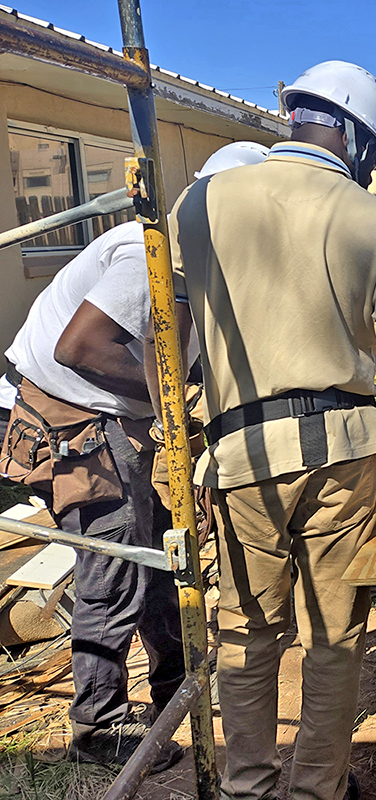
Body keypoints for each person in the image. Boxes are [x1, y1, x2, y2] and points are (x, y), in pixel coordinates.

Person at [165, 61, 376, 800]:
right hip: (341, 452)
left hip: (239, 452)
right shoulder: (374, 221)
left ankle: (246, 786)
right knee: (332, 633)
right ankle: (318, 790)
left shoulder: (199, 203)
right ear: (353, 138)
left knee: (247, 631)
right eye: (373, 158)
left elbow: (170, 337)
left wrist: (175, 437)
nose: (372, 174)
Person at [0, 140, 267, 771]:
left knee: (162, 554)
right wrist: (175, 402)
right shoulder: (149, 253)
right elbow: (80, 348)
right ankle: (98, 728)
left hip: (123, 415)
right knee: (114, 565)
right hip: (72, 418)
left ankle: (175, 688)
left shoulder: (208, 264)